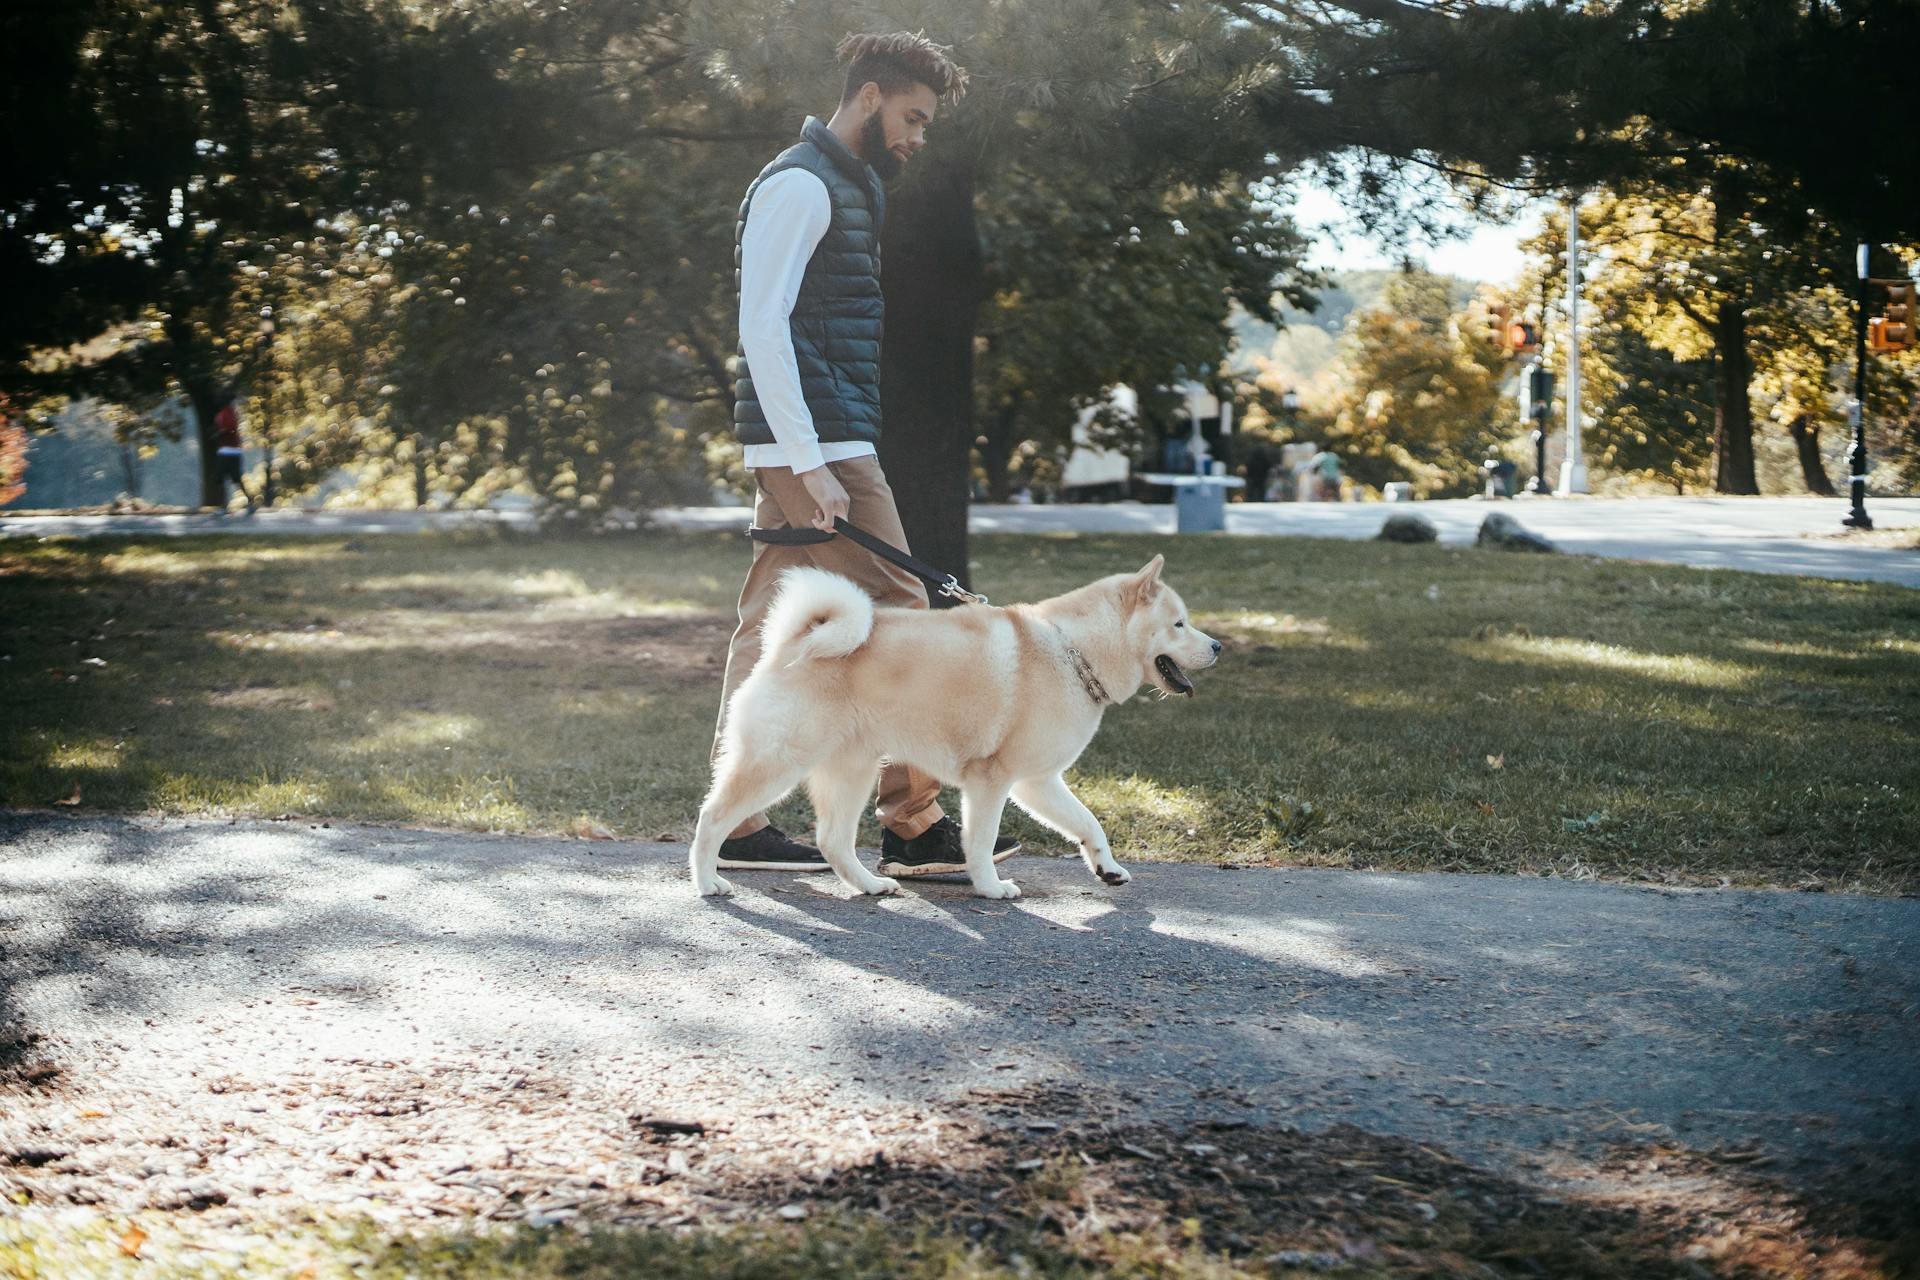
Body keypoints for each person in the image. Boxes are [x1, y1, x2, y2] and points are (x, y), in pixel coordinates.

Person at [711, 33, 1018, 879]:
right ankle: (914, 825)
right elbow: (761, 327)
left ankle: (737, 823)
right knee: (905, 607)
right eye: (913, 116)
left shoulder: (846, 187)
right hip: (818, 441)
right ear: (872, 95)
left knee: (769, 622)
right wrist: (808, 460)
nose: (919, 136)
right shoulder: (801, 185)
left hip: (817, 434)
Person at [211, 389, 255, 514]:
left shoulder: (226, 413)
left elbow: (229, 428)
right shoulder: (231, 412)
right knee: (235, 478)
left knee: (220, 478)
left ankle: (223, 506)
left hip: (227, 451)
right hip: (233, 451)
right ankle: (249, 501)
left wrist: (218, 433)